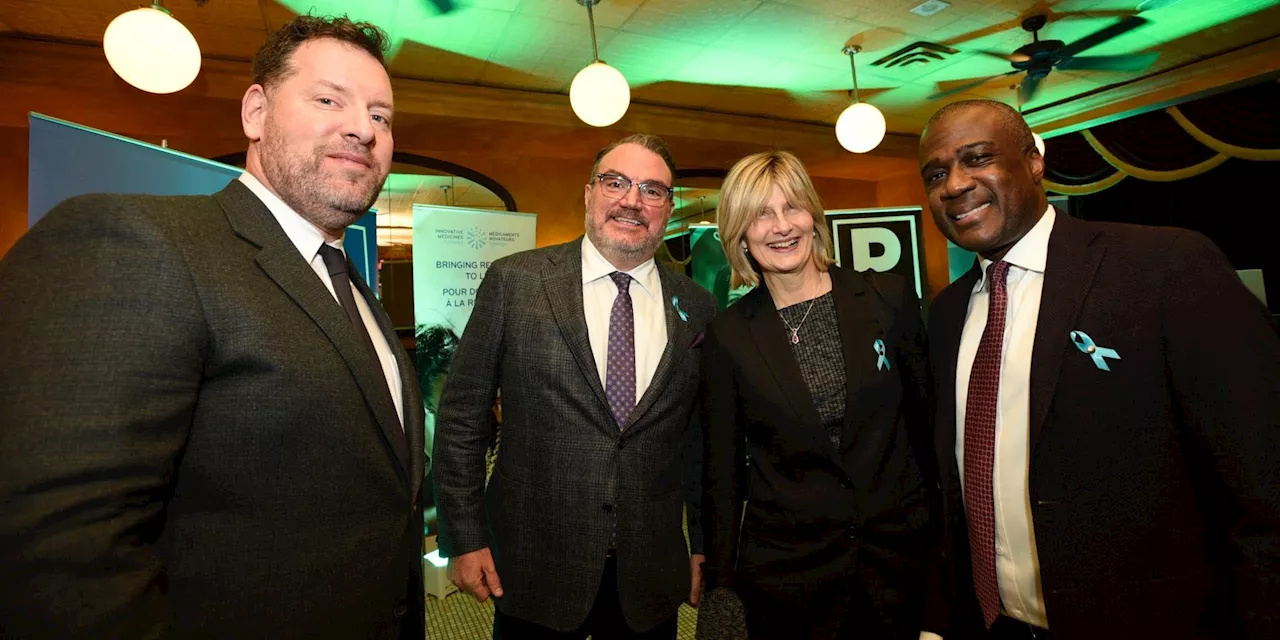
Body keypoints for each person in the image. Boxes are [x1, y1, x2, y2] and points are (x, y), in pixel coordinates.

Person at [0, 16, 425, 639]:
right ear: (256, 111)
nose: (363, 128)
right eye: (329, 99)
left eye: (381, 116)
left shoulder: (353, 285)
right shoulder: (143, 243)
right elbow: (57, 553)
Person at [918, 99, 1280, 640]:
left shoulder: (1163, 268)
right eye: (937, 174)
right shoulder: (947, 315)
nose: (954, 185)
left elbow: (1263, 484)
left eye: (977, 158)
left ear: (1034, 161)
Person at [432, 133, 716, 640]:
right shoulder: (515, 283)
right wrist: (465, 536)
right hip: (533, 565)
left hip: (648, 573)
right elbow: (462, 419)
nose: (632, 200)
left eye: (652, 190)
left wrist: (700, 543)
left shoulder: (697, 306)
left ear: (669, 208)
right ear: (589, 193)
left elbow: (697, 442)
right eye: (616, 183)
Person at [698, 150, 932, 639]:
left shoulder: (888, 298)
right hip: (789, 580)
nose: (781, 226)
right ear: (739, 233)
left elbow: (927, 436)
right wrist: (721, 583)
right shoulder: (728, 336)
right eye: (761, 214)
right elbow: (722, 475)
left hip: (899, 565)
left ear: (814, 215)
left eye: (793, 207)